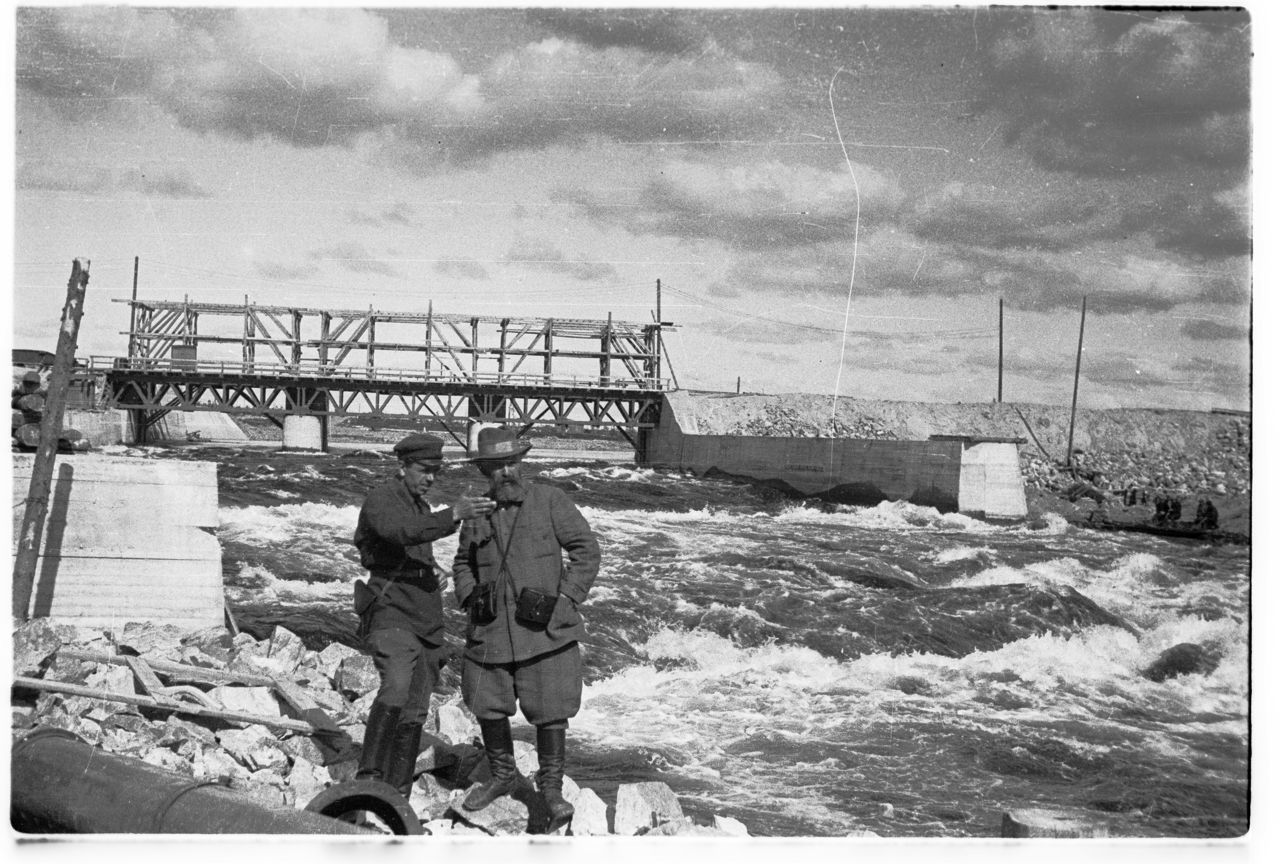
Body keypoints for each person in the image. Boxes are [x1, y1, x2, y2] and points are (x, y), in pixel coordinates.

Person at [452, 427, 601, 833]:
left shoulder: (550, 500)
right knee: (487, 701)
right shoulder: (477, 511)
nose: (506, 472)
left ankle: (551, 790)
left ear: (522, 463)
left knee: (552, 708)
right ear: (484, 471)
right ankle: (502, 776)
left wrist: (567, 598)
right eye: (496, 466)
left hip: (545, 630)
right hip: (491, 629)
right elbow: (462, 563)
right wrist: (468, 596)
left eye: (511, 463)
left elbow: (587, 550)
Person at [352, 432, 496, 795]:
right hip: (391, 612)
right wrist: (454, 514)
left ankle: (398, 790)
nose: (430, 478)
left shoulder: (419, 507)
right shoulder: (381, 499)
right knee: (396, 685)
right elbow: (400, 532)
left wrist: (433, 570)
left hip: (425, 617)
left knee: (416, 707)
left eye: (436, 471)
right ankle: (368, 777)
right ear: (402, 467)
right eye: (424, 470)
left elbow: (413, 544)